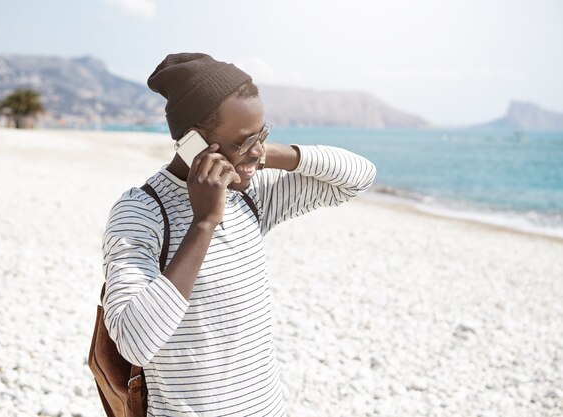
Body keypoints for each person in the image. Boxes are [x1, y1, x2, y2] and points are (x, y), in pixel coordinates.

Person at [102, 52, 376, 416]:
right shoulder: (141, 213)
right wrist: (203, 222)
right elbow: (134, 343)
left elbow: (359, 177)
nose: (257, 151)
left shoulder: (251, 195)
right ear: (193, 142)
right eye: (244, 141)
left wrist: (259, 153)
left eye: (262, 133)